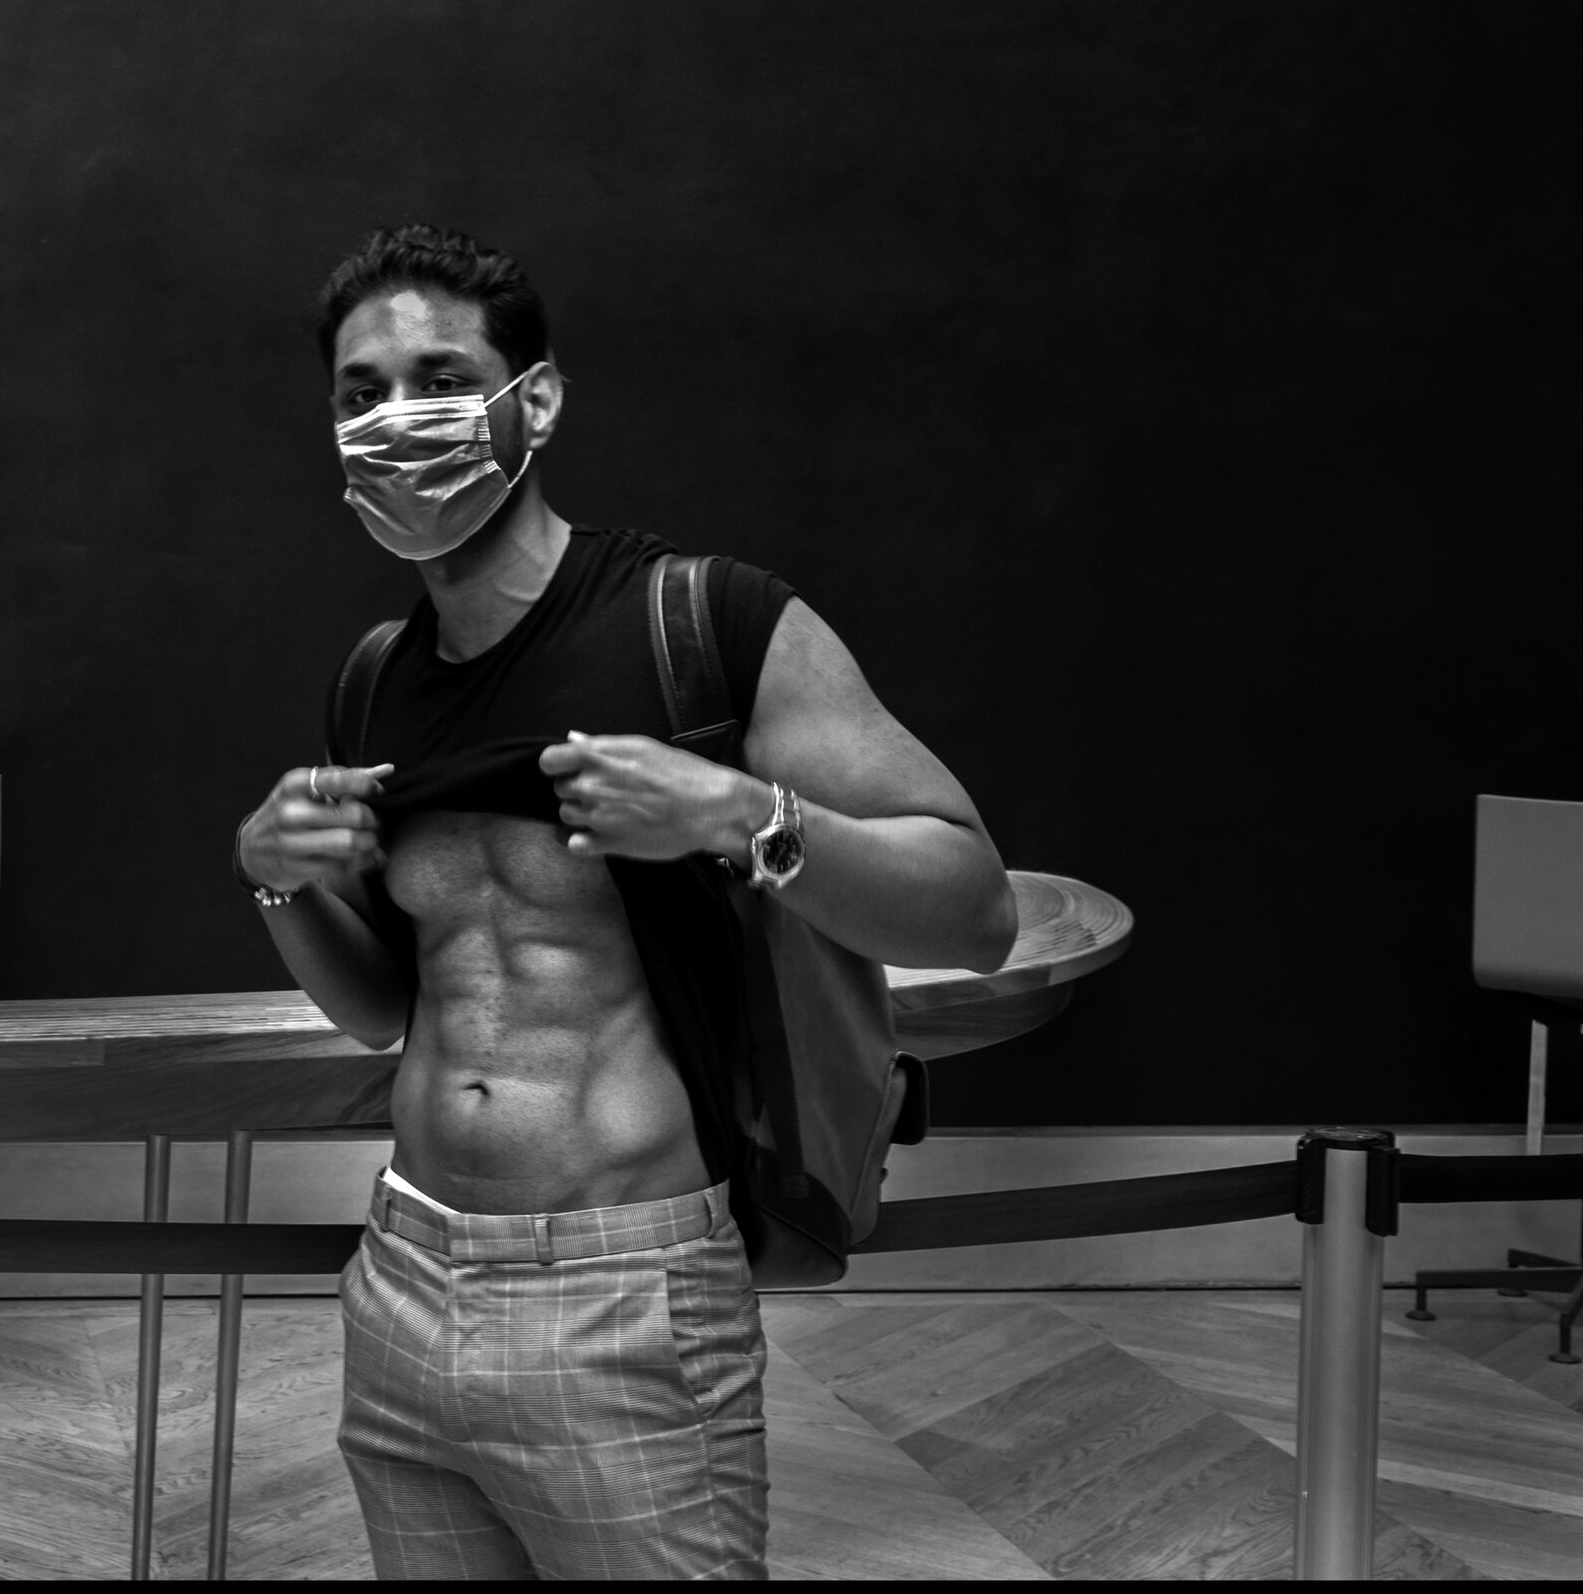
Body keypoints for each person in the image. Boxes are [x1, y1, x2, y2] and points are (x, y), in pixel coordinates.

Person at [233, 224, 1017, 1580]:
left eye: (437, 374)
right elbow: (384, 1014)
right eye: (362, 393)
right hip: (407, 1271)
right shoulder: (378, 678)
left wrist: (739, 815)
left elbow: (974, 907)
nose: (395, 418)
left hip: (625, 1291)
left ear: (532, 401)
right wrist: (276, 879)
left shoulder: (705, 624)